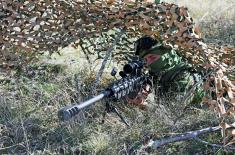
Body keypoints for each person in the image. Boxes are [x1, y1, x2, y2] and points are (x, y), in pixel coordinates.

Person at [126, 36, 204, 106]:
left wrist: (146, 102)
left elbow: (174, 110)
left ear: (167, 54)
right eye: (145, 60)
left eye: (152, 57)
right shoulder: (159, 74)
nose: (149, 63)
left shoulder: (185, 75)